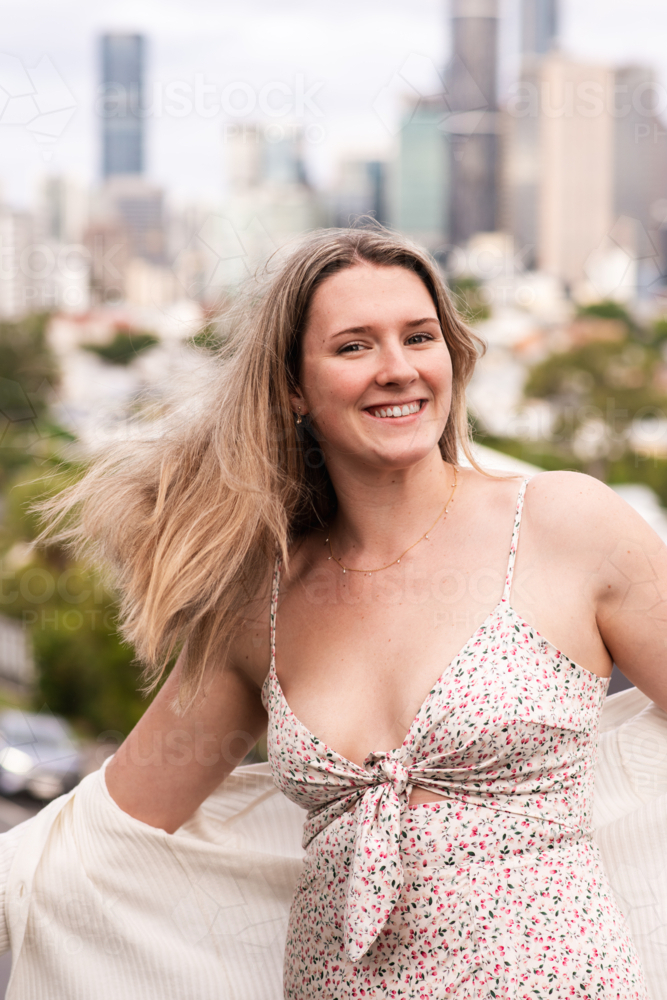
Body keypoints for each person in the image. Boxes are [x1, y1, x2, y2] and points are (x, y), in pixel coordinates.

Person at [35, 227, 665, 998]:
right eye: (353, 347)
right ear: (293, 388)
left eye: (418, 337)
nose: (397, 370)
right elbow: (116, 821)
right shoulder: (258, 607)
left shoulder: (565, 523)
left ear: (452, 356)